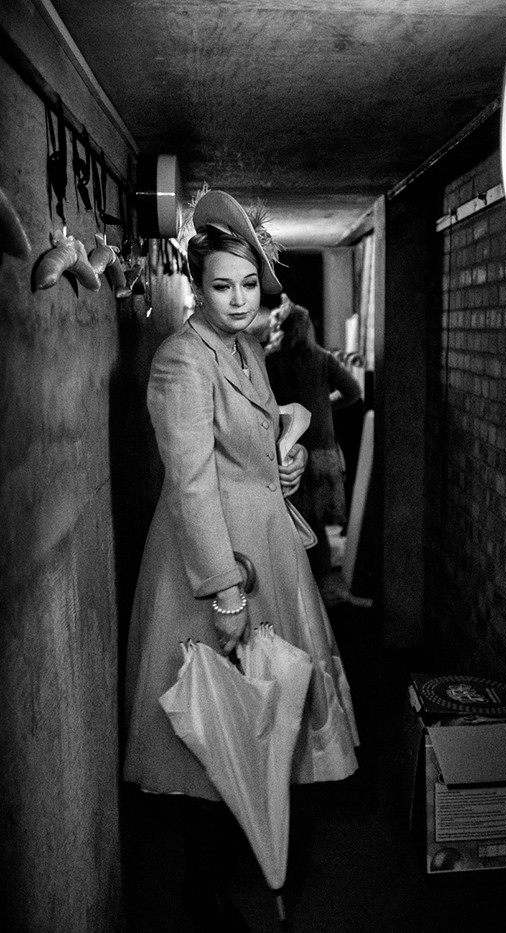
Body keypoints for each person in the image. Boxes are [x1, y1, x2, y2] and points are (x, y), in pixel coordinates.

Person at [122, 190, 359, 932]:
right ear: (196, 285)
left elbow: (248, 450)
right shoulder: (180, 361)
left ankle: (250, 857)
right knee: (213, 727)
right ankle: (201, 898)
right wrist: (223, 589)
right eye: (221, 286)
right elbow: (191, 482)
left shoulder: (248, 348)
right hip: (214, 565)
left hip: (266, 547)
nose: (236, 299)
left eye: (248, 284)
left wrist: (281, 469)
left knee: (262, 709)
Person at [266, 303, 362, 596]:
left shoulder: (271, 361)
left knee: (289, 523)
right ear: (309, 329)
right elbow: (354, 392)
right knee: (318, 525)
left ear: (281, 328)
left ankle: (293, 591)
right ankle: (320, 592)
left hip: (286, 452)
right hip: (322, 449)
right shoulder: (323, 359)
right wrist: (325, 408)